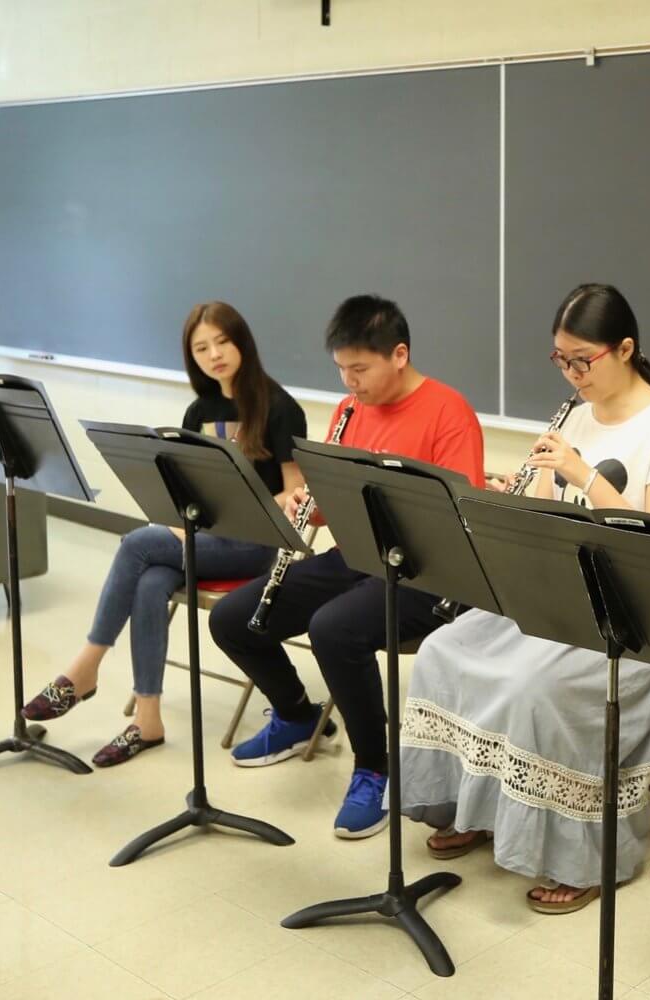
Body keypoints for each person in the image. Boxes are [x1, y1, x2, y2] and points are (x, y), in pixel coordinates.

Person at [398, 283, 650, 914]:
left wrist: (583, 475)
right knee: (444, 651)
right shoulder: (573, 415)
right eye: (561, 359)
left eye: (582, 360)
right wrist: (516, 499)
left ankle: (580, 857)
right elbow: (547, 521)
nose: (571, 374)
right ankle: (473, 807)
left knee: (534, 687)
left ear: (625, 349)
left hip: (631, 618)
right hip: (559, 597)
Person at [207, 294, 485, 839]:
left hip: (428, 574)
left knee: (333, 628)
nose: (349, 383)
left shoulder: (448, 411)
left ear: (399, 355)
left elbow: (462, 519)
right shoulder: (349, 411)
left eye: (359, 369)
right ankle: (296, 716)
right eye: (341, 369)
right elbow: (333, 502)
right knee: (233, 619)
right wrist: (306, 502)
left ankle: (376, 768)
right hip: (357, 556)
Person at [22, 302, 306, 767]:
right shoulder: (199, 411)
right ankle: (148, 719)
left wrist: (246, 509)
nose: (214, 355)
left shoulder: (280, 408)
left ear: (242, 342)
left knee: (137, 544)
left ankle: (86, 666)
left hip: (256, 545)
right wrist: (179, 521)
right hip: (206, 538)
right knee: (151, 580)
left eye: (222, 342)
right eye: (201, 348)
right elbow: (188, 488)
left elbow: (295, 492)